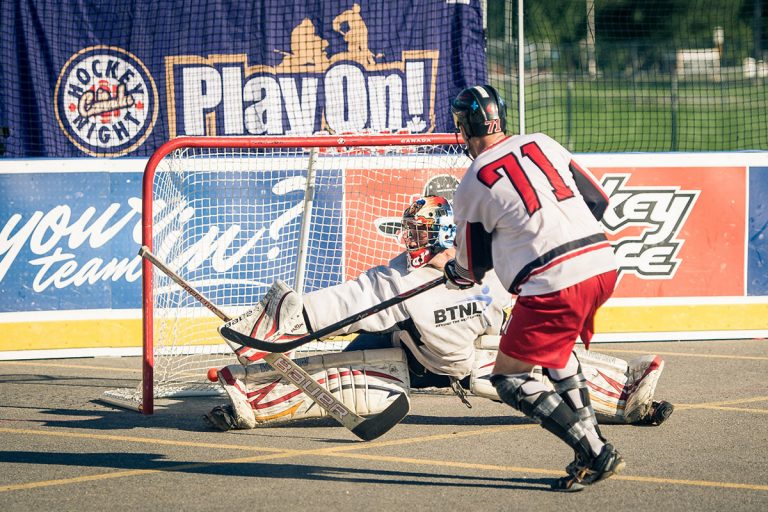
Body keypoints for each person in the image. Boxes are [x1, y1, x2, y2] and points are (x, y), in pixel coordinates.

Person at [206, 195, 672, 437]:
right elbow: (341, 305)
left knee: (540, 370)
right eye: (408, 230)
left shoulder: (487, 277)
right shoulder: (397, 279)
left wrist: (540, 349)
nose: (408, 239)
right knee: (339, 376)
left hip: (466, 364)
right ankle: (244, 401)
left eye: (418, 231)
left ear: (442, 234)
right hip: (405, 358)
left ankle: (632, 399)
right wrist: (284, 319)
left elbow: (519, 324)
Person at [443, 84, 626, 491]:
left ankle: (595, 450)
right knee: (558, 355)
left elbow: (472, 265)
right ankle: (587, 451)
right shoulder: (543, 141)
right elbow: (596, 200)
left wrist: (456, 274)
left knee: (509, 378)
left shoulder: (473, 179)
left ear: (465, 126)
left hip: (555, 282)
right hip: (602, 264)